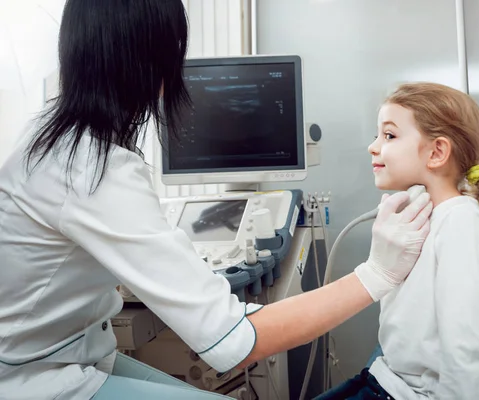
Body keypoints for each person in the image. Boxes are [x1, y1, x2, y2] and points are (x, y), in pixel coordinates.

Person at [0, 1, 433, 399]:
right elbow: (235, 342)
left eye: (390, 135)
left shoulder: (52, 136)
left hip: (75, 353)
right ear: (155, 61)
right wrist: (377, 274)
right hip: (36, 377)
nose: (375, 148)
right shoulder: (91, 167)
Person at [316, 82, 479, 400]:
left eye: (389, 135)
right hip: (384, 378)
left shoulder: (461, 223)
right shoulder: (422, 218)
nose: (373, 147)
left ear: (436, 152)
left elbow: (465, 349)